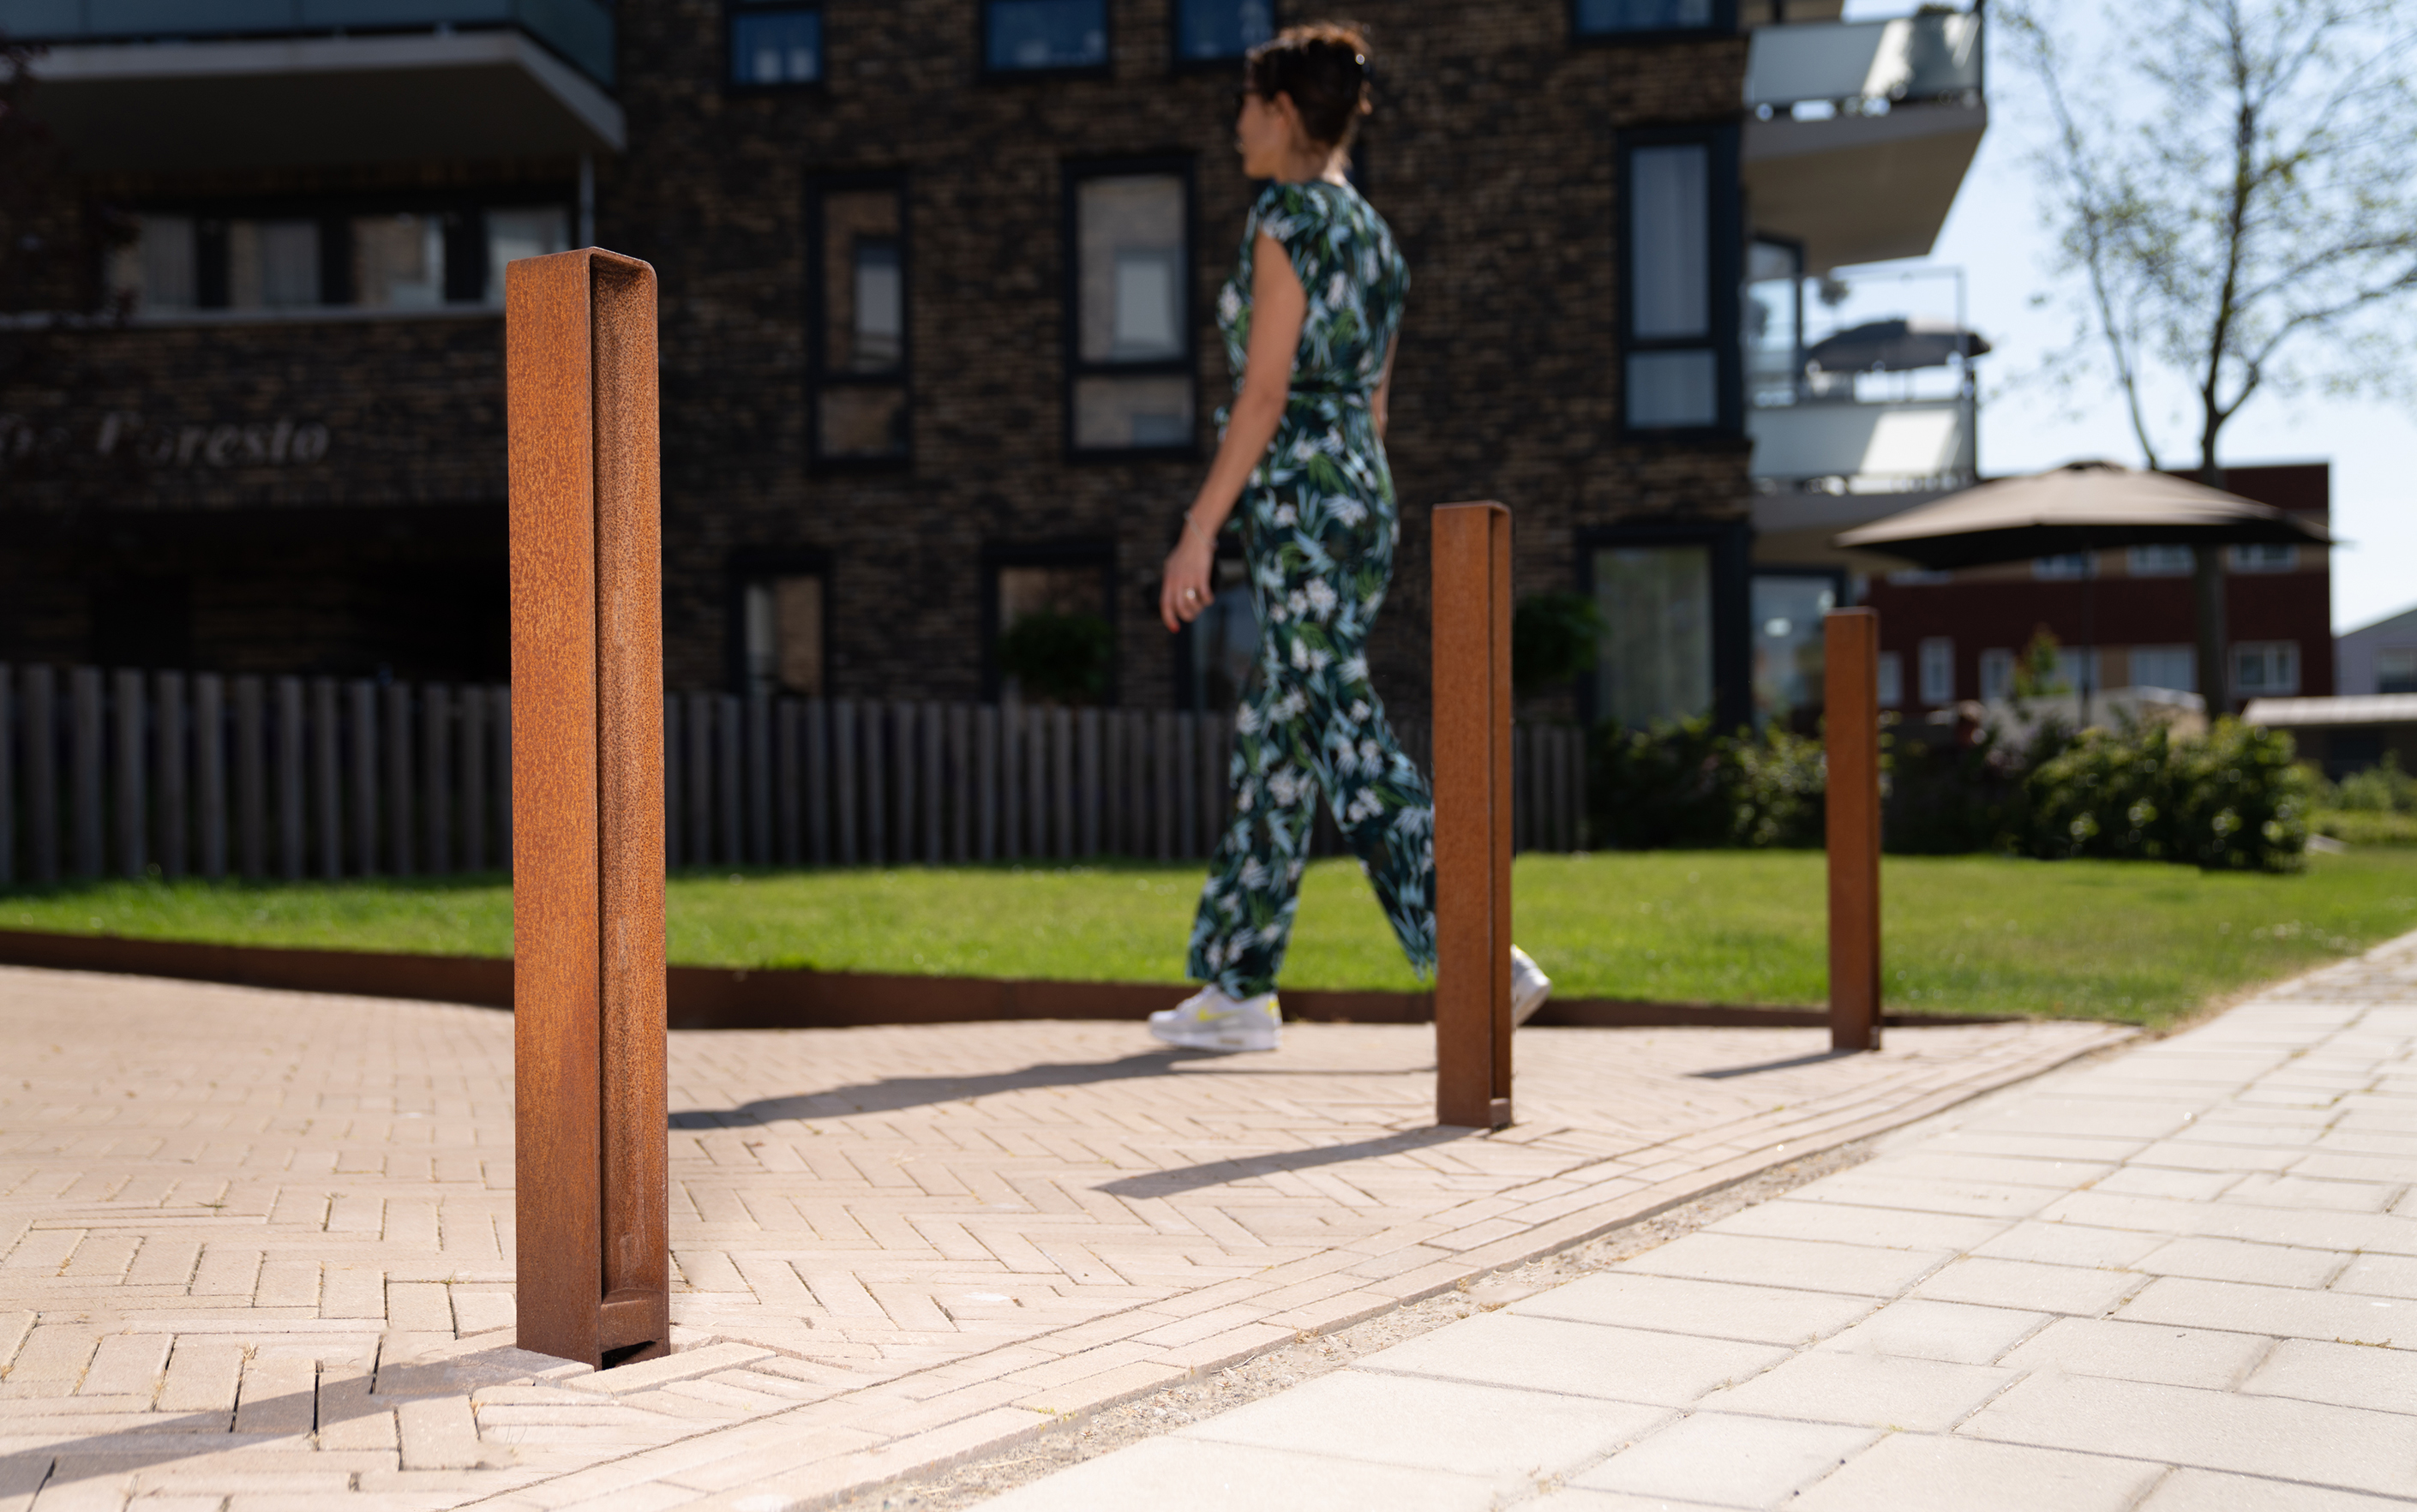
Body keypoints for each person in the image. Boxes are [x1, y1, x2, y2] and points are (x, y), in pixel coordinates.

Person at [1151, 21, 1549, 1053]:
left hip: (1298, 498)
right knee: (1279, 732)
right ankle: (1239, 989)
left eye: (1248, 106)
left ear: (1284, 113)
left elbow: (1265, 394)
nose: (1237, 124)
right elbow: (1374, 404)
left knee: (1338, 720)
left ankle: (1479, 946)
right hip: (1361, 493)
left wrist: (1199, 529)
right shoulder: (1375, 236)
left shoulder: (1285, 217)